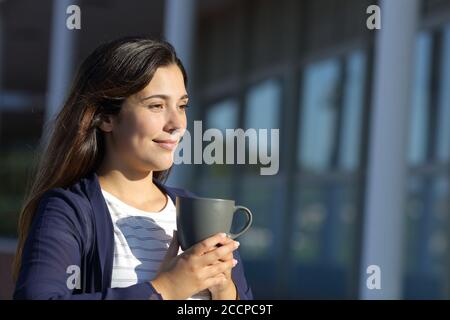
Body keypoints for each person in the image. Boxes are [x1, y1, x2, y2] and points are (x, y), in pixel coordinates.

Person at [12, 37, 253, 300]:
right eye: (157, 106)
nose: (177, 123)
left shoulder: (195, 211)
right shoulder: (69, 210)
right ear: (105, 117)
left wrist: (225, 292)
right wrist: (167, 289)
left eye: (182, 105)